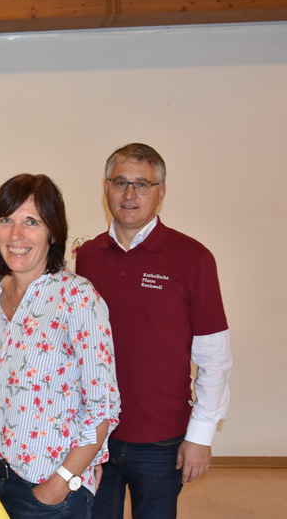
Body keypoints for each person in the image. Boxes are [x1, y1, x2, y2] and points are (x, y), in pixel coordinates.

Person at [0, 174, 121, 518]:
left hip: (49, 488)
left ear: (53, 232)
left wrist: (58, 485)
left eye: (31, 222)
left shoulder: (77, 297)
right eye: (6, 220)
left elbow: (103, 409)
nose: (16, 235)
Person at [76, 143, 232, 519]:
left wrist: (200, 437)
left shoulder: (193, 258)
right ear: (106, 188)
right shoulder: (87, 257)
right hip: (95, 435)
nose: (129, 194)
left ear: (161, 192)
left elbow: (215, 358)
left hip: (161, 441)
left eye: (142, 184)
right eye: (121, 182)